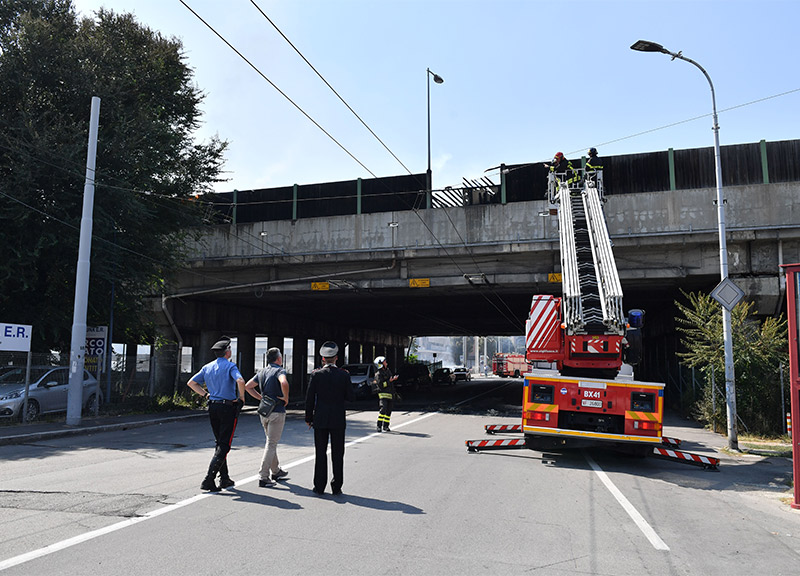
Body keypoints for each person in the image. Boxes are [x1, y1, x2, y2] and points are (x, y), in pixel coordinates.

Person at [186, 336, 246, 492]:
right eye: (230, 349)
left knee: (219, 441)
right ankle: (209, 479)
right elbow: (240, 381)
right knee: (225, 444)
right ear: (227, 352)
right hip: (227, 407)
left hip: (213, 406)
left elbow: (191, 383)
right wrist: (241, 398)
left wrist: (205, 394)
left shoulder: (207, 367)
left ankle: (224, 478)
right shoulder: (231, 366)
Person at [304, 341, 354, 495]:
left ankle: (319, 486)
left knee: (320, 453)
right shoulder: (344, 375)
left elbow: (310, 398)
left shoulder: (316, 375)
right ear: (337, 358)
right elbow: (351, 397)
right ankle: (336, 485)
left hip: (320, 419)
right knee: (338, 453)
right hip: (338, 419)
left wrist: (308, 418)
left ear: (323, 359)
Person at [245, 347, 290, 488]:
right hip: (277, 411)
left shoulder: (262, 371)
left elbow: (248, 386)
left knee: (270, 442)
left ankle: (276, 471)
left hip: (264, 412)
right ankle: (263, 476)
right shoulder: (279, 371)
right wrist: (285, 397)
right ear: (278, 359)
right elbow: (284, 382)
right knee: (271, 443)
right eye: (281, 356)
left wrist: (261, 398)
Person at [373, 356, 398, 432]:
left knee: (389, 411)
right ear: (380, 364)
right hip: (383, 395)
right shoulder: (378, 374)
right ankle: (379, 425)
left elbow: (390, 382)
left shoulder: (388, 371)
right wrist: (389, 381)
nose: (386, 362)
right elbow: (381, 385)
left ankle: (386, 426)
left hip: (390, 394)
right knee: (383, 409)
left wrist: (393, 379)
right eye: (384, 361)